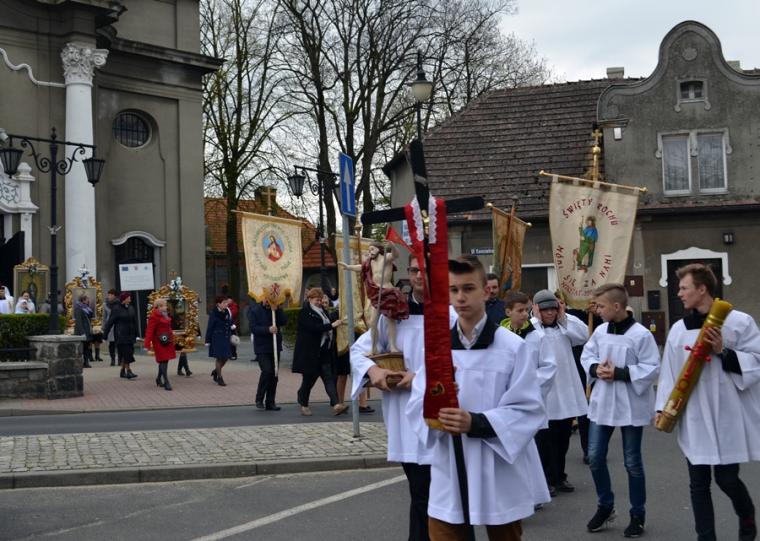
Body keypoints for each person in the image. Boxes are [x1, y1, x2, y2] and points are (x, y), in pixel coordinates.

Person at [407, 255, 548, 540]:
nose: (461, 297)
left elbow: (528, 408)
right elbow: (416, 406)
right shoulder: (437, 351)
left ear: (485, 291)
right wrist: (437, 406)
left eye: (468, 288)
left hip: (497, 468)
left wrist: (475, 422)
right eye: (454, 290)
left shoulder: (512, 347)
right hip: (449, 466)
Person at [656, 263, 760, 541]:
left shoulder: (739, 322)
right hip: (695, 414)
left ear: (702, 289)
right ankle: (706, 537)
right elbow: (669, 372)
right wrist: (662, 408)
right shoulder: (679, 329)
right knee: (698, 484)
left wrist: (723, 351)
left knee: (726, 479)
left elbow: (757, 360)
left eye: (684, 288)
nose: (679, 293)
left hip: (727, 412)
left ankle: (747, 517)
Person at [352, 254, 432, 540]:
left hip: (441, 416)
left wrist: (420, 378)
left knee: (437, 495)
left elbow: (463, 363)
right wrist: (373, 370)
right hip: (405, 417)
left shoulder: (452, 313)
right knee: (421, 492)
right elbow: (359, 351)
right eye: (414, 270)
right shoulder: (394, 313)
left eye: (425, 269)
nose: (419, 275)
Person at [581, 283, 660, 537]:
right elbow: (587, 355)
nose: (597, 310)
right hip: (603, 401)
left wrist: (621, 373)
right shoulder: (600, 331)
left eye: (601, 306)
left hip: (630, 404)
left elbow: (652, 367)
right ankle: (605, 506)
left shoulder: (641, 335)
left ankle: (638, 514)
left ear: (616, 307)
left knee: (632, 462)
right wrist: (595, 369)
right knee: (595, 456)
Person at [530, 289, 588, 497]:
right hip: (545, 393)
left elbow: (583, 335)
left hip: (565, 389)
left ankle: (559, 476)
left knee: (563, 437)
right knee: (545, 439)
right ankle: (545, 479)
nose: (550, 313)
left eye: (553, 309)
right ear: (537, 310)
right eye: (545, 310)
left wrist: (564, 317)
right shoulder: (532, 329)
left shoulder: (564, 326)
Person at [338, 241, 409, 354]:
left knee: (390, 320)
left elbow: (396, 255)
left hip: (387, 292)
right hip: (376, 294)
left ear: (378, 249)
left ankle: (393, 346)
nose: (370, 251)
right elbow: (361, 267)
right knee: (372, 322)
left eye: (372, 249)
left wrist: (392, 246)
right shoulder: (370, 262)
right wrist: (348, 267)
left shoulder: (386, 258)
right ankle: (374, 348)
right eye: (369, 249)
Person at [292, 287, 348, 416]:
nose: (319, 302)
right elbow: (313, 328)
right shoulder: (304, 313)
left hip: (323, 351)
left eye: (320, 300)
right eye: (317, 300)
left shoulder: (323, 311)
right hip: (310, 353)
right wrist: (331, 325)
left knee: (329, 378)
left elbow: (325, 326)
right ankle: (304, 404)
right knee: (308, 380)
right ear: (310, 299)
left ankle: (336, 404)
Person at [248, 299, 287, 411]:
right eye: (266, 298)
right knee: (267, 371)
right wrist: (268, 329)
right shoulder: (255, 311)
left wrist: (278, 310)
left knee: (274, 375)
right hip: (262, 347)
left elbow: (284, 321)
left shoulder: (275, 309)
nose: (268, 300)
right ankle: (259, 398)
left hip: (275, 346)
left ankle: (270, 402)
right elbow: (253, 328)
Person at [102, 292, 139, 379]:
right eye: (128, 298)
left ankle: (122, 371)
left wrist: (136, 334)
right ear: (124, 299)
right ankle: (129, 371)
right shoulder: (116, 309)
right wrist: (105, 335)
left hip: (130, 334)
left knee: (129, 352)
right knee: (127, 353)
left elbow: (134, 321)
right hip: (121, 334)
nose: (130, 299)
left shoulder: (131, 308)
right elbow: (110, 322)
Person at [143, 298, 176, 391]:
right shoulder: (154, 316)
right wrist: (147, 344)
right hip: (159, 342)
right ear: (159, 307)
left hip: (167, 341)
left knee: (164, 361)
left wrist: (172, 337)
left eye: (165, 305)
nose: (166, 307)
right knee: (163, 361)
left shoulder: (165, 315)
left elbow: (168, 328)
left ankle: (158, 379)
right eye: (164, 305)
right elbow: (149, 331)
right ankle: (166, 381)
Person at [205, 295, 235, 387]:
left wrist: (232, 327)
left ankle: (215, 371)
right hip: (217, 338)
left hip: (226, 337)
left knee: (226, 357)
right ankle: (220, 378)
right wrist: (207, 340)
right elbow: (210, 327)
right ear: (218, 304)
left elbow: (230, 321)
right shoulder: (214, 313)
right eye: (224, 303)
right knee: (219, 358)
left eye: (226, 302)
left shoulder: (227, 311)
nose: (226, 304)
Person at [73, 293, 94, 368]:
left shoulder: (86, 308)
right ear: (83, 300)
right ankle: (80, 363)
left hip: (87, 330)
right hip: (81, 331)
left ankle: (86, 362)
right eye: (87, 299)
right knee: (81, 348)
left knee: (86, 347)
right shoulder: (78, 308)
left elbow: (90, 316)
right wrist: (82, 332)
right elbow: (78, 321)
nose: (88, 300)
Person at [103, 289, 120, 366]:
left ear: (114, 295)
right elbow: (104, 316)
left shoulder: (119, 303)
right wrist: (104, 326)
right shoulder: (105, 304)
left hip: (117, 324)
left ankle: (120, 359)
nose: (109, 296)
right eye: (108, 294)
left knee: (119, 343)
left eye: (110, 294)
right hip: (109, 325)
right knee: (111, 343)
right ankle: (112, 359)